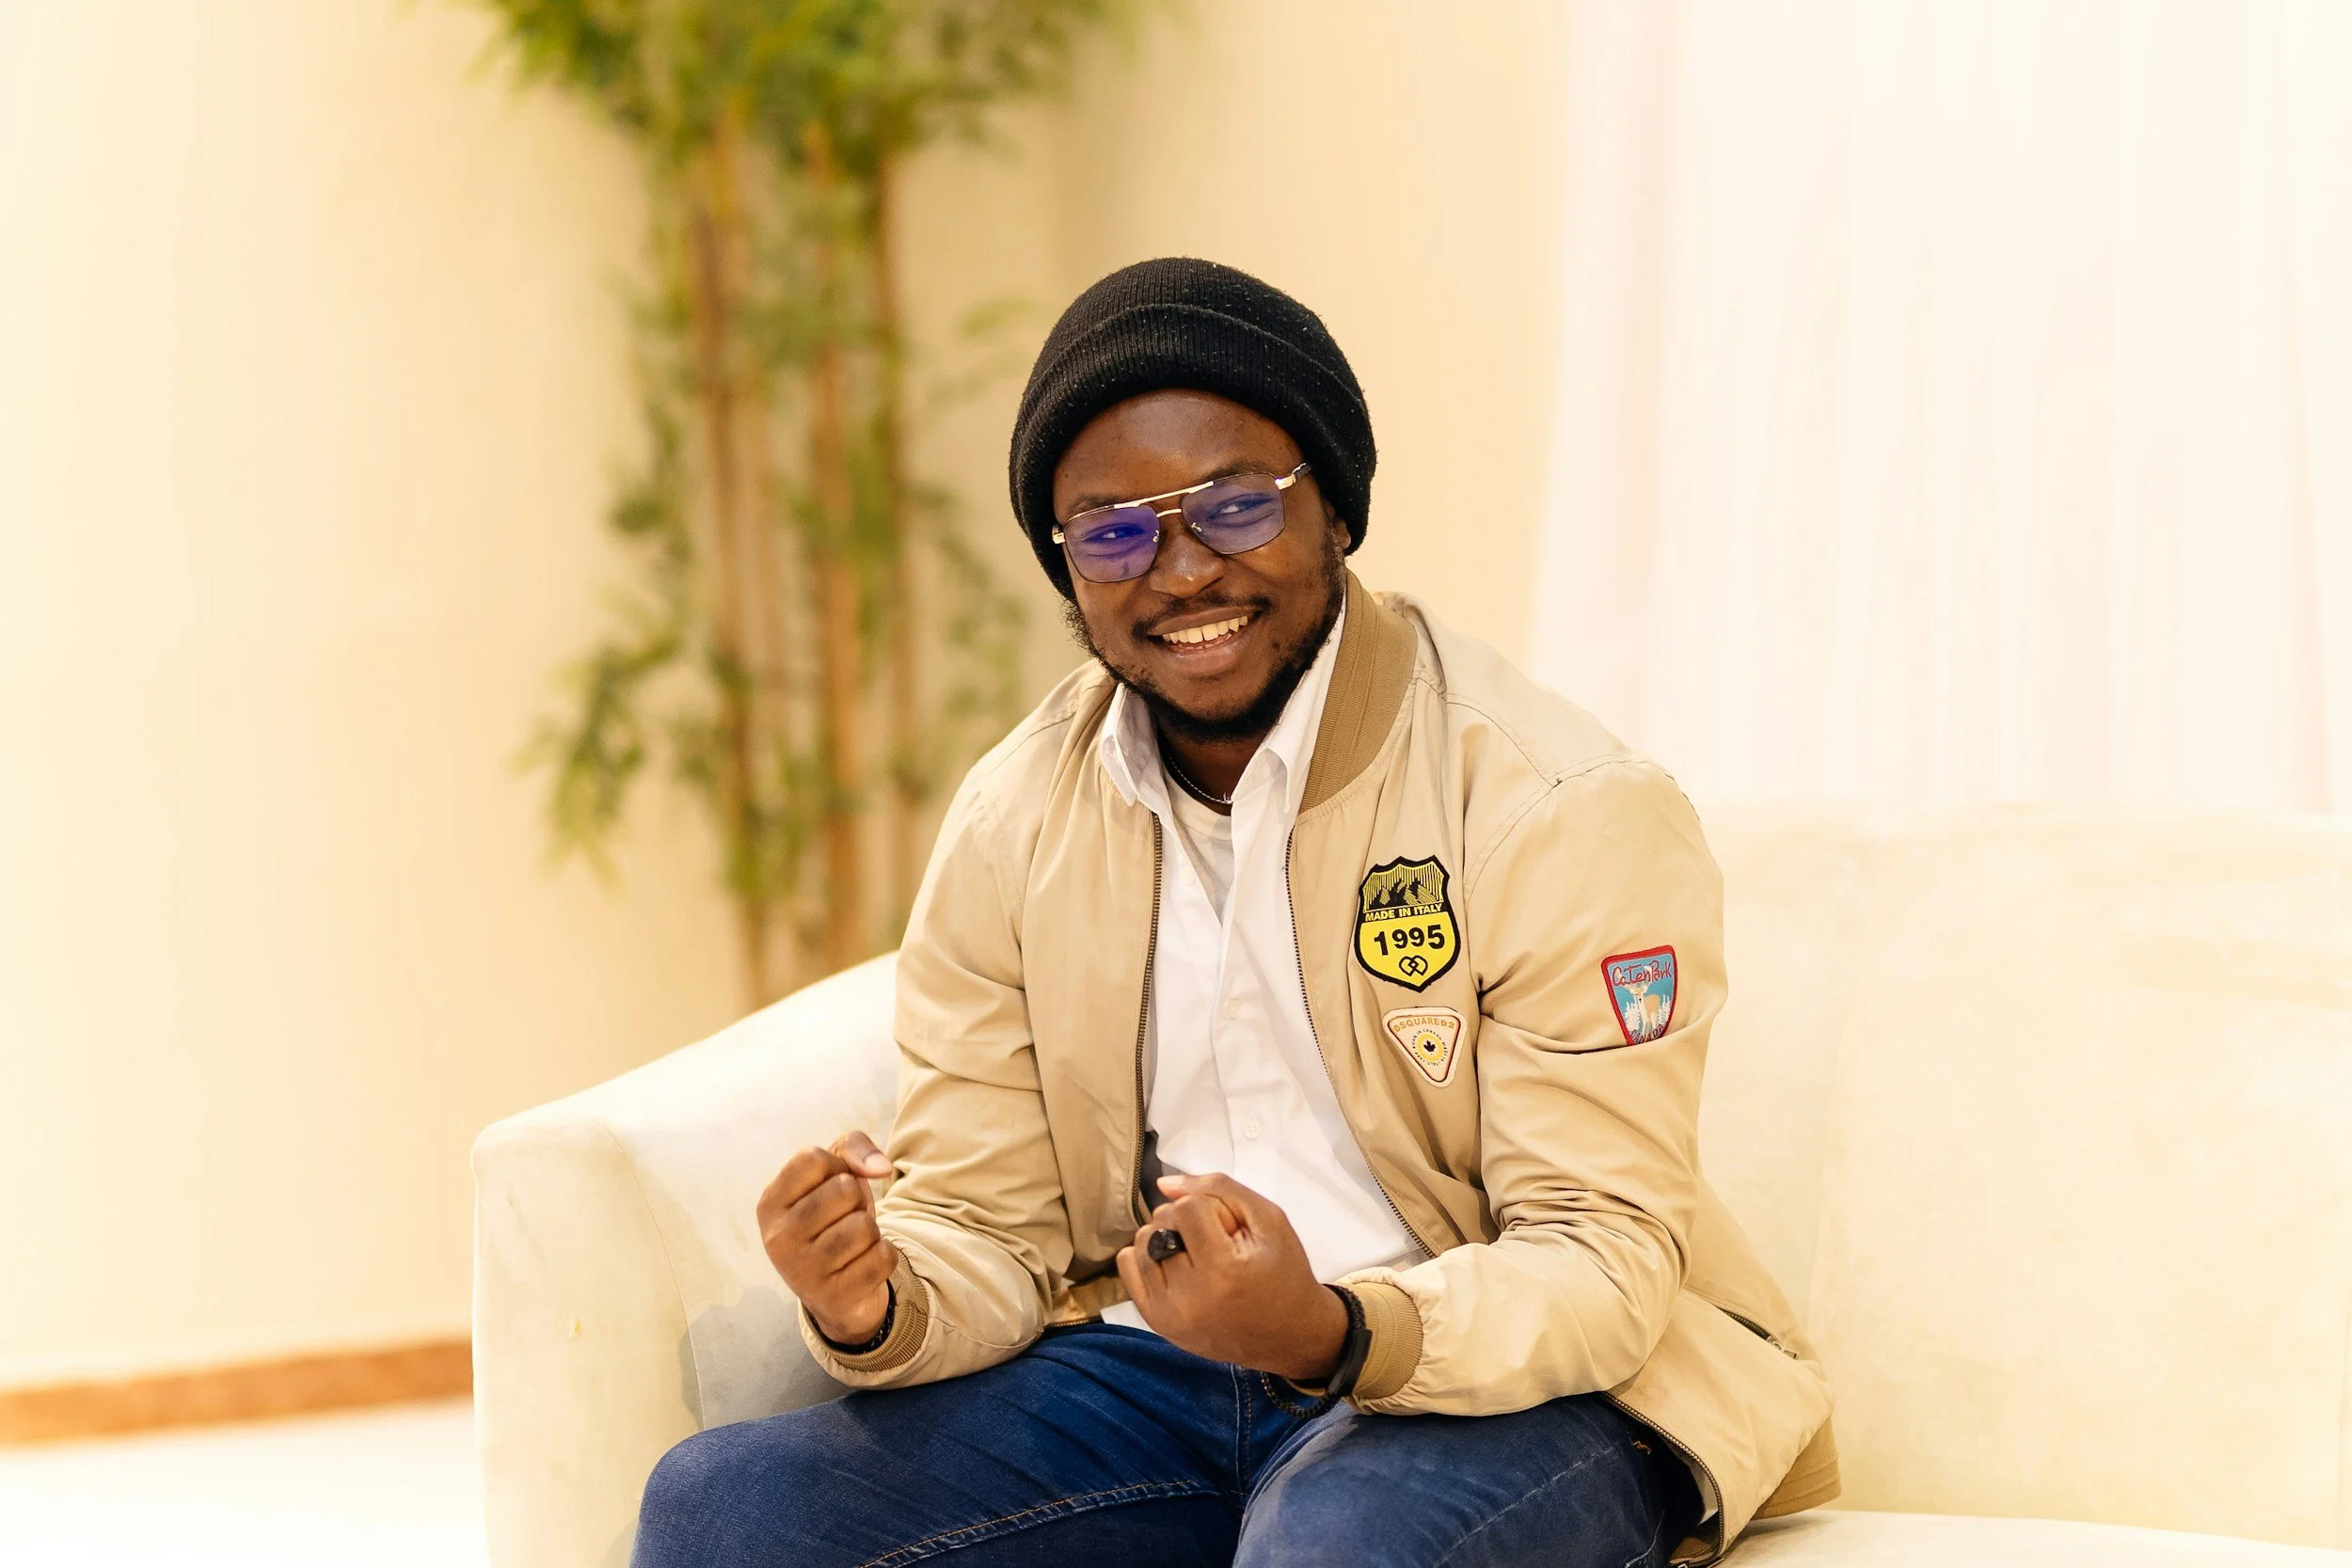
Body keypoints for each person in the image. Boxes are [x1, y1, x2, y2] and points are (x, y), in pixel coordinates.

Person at [631, 259, 1836, 1568]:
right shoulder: (1013, 823)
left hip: (1509, 1389)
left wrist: (1323, 1327)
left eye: (1235, 505)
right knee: (723, 1510)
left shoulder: (1555, 803)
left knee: (1328, 1553)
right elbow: (987, 1222)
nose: (1181, 572)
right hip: (1160, 1379)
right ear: (1067, 566)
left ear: (1336, 509)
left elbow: (1600, 1258)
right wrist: (875, 1299)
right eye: (1112, 532)